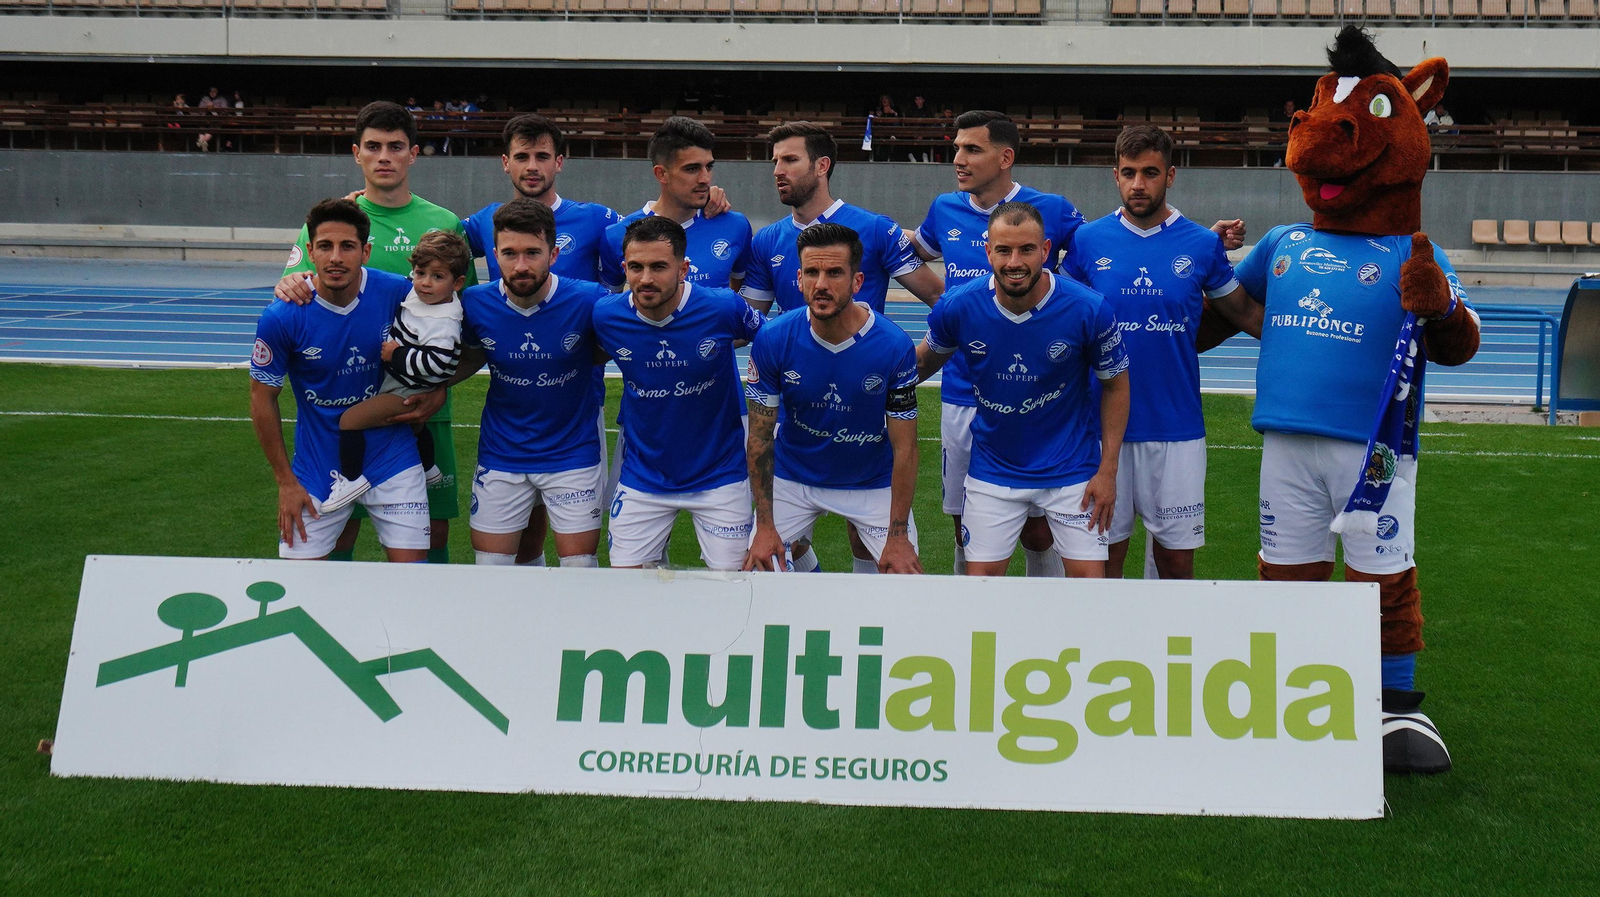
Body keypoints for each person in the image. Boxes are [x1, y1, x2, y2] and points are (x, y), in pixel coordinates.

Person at [274, 101, 475, 564]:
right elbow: (296, 291)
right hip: (339, 408)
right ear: (356, 154)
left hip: (417, 402)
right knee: (338, 526)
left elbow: (468, 327)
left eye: (395, 146)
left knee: (432, 528)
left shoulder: (444, 223)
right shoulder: (334, 221)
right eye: (373, 146)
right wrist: (286, 282)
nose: (384, 156)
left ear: (414, 154)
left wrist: (439, 387)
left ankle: (424, 626)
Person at [1060, 124, 1263, 580]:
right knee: (1102, 564)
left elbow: (1244, 312)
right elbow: (1061, 317)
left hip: (1177, 428)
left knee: (1175, 563)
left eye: (1150, 173)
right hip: (1099, 429)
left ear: (1170, 176)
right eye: (1129, 173)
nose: (1138, 184)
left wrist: (1304, 335)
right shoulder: (1088, 241)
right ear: (1115, 176)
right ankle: (1107, 651)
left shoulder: (1201, 244)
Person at [741, 121, 943, 573]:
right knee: (771, 553)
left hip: (868, 403)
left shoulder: (875, 229)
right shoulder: (768, 240)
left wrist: (912, 369)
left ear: (822, 165)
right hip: (797, 402)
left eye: (789, 159)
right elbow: (745, 323)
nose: (777, 170)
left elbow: (938, 301)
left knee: (866, 540)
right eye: (774, 160)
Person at [911, 110, 1088, 578]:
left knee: (1036, 526)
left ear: (1005, 157)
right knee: (964, 520)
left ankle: (1040, 611)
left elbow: (1102, 247)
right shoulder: (945, 207)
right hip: (962, 393)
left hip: (1033, 393)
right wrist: (937, 297)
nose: (958, 158)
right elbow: (911, 250)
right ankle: (969, 611)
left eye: (972, 149)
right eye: (956, 148)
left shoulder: (1050, 208)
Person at [915, 202, 1130, 578]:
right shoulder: (958, 307)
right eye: (1004, 250)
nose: (1015, 261)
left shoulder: (1089, 309)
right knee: (980, 586)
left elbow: (1116, 386)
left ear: (1046, 250)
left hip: (1072, 471)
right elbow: (916, 367)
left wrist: (1107, 471)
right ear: (988, 252)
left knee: (1090, 590)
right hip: (993, 471)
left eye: (1026, 250)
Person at [461, 113, 621, 566]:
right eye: (523, 157)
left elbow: (656, 237)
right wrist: (364, 207)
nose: (532, 166)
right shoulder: (486, 221)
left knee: (576, 560)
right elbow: (431, 243)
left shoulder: (596, 219)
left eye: (542, 156)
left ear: (560, 162)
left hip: (577, 403)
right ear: (505, 163)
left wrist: (703, 204)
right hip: (511, 408)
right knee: (519, 547)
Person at [248, 199, 444, 562]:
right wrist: (285, 482)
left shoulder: (397, 293)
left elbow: (449, 333)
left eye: (347, 246)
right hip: (317, 468)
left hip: (393, 458)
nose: (335, 257)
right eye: (325, 246)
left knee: (414, 583)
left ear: (366, 251)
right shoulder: (282, 317)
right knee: (301, 592)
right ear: (310, 251)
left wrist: (439, 388)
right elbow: (262, 399)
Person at [743, 223, 921, 575]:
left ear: (857, 282)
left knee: (905, 582)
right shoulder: (773, 339)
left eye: (834, 273)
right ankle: (807, 568)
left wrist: (897, 536)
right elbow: (760, 438)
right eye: (812, 272)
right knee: (755, 572)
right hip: (795, 478)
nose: (821, 284)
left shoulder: (894, 346)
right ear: (799, 278)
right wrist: (765, 527)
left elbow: (906, 448)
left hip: (871, 482)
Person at [592, 217, 765, 570]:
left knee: (736, 586)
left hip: (721, 475)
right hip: (644, 475)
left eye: (659, 267)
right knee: (626, 586)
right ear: (624, 268)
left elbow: (774, 341)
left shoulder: (722, 307)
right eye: (636, 267)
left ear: (683, 268)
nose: (645, 278)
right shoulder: (606, 316)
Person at [323, 230, 469, 512]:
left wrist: (396, 354)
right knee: (415, 426)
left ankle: (351, 479)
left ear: (457, 283)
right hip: (402, 380)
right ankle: (428, 467)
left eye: (437, 277)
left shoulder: (445, 321)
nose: (425, 283)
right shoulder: (420, 293)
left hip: (409, 388)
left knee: (350, 421)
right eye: (420, 272)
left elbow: (437, 367)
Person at [599, 116, 753, 293]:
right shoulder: (617, 235)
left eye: (708, 167)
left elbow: (740, 295)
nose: (705, 179)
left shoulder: (735, 226)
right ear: (661, 174)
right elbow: (610, 305)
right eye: (692, 169)